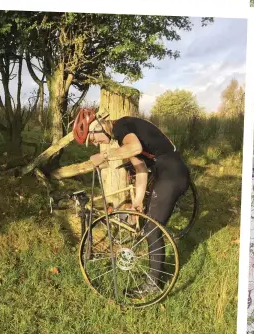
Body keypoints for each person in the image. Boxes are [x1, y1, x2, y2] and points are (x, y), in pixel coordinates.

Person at [81, 109, 190, 294]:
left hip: (172, 175)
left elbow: (136, 148)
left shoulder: (123, 126)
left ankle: (153, 285)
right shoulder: (124, 137)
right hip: (168, 174)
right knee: (150, 224)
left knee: (151, 229)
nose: (94, 143)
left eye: (92, 138)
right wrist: (137, 201)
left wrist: (105, 155)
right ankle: (156, 276)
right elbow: (140, 170)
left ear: (99, 126)